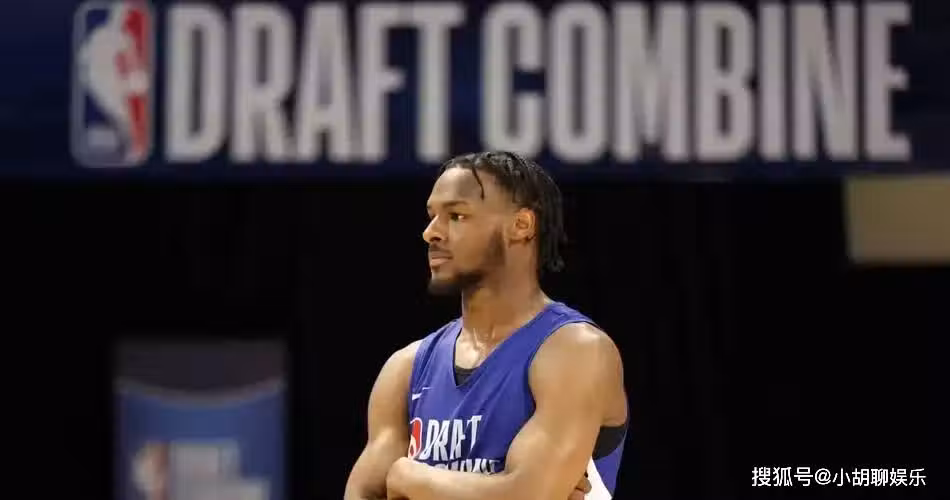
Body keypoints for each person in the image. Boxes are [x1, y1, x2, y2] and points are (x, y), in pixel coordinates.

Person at [344, 151, 628, 500]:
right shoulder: (406, 369)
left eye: (456, 216)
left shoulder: (575, 350)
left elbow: (525, 496)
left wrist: (408, 477)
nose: (430, 233)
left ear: (521, 225)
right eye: (432, 216)